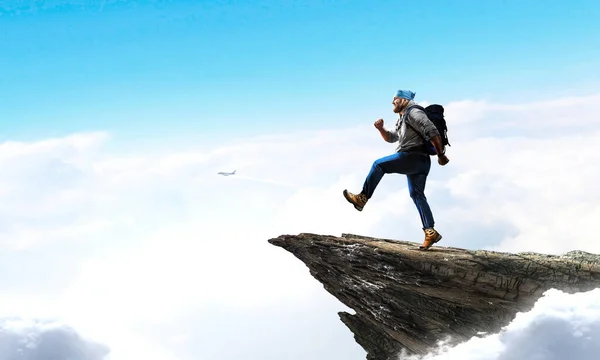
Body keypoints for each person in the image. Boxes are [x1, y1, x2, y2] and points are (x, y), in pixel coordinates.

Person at [343, 89, 450, 250]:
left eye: (396, 98)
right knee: (417, 195)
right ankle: (431, 231)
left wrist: (441, 155)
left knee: (379, 165)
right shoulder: (403, 117)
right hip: (420, 162)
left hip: (412, 157)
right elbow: (392, 138)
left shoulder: (413, 112)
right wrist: (381, 129)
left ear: (405, 100)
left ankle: (362, 198)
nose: (393, 101)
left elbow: (432, 130)